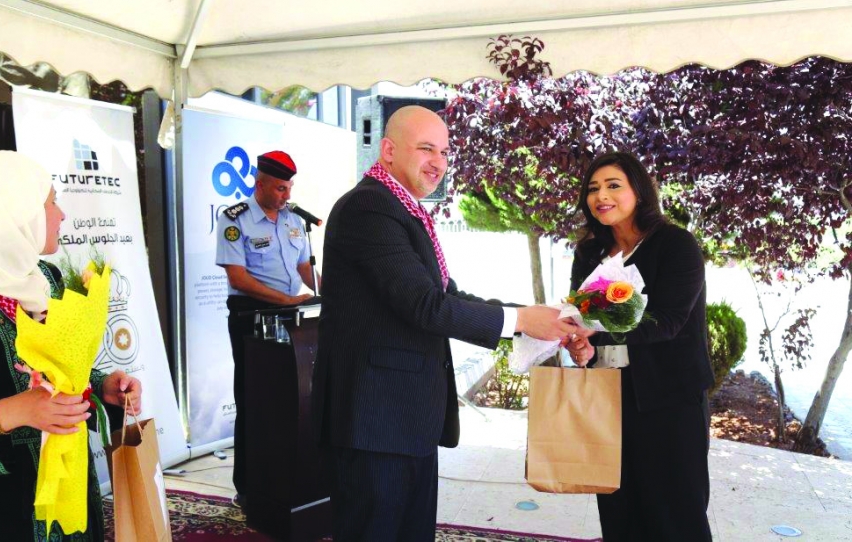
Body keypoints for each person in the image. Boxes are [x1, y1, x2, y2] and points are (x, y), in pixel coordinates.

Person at [312, 105, 577, 541]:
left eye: (445, 152)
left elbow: (447, 295)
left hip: (406, 417)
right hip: (374, 421)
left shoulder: (404, 208)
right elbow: (425, 305)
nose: (438, 162)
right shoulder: (368, 207)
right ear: (388, 150)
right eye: (426, 149)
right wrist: (520, 319)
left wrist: (533, 320)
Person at [0, 150, 142, 541]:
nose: (61, 215)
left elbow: (60, 368)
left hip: (70, 489)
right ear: (15, 212)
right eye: (51, 202)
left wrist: (101, 385)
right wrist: (10, 412)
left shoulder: (48, 280)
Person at [565, 151, 714, 541]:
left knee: (676, 517)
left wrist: (595, 326)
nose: (601, 196)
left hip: (670, 400)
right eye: (593, 188)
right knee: (619, 511)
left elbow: (668, 321)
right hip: (608, 396)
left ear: (639, 192)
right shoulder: (589, 252)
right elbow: (581, 317)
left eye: (613, 185)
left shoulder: (676, 244)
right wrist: (581, 346)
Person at [214, 150, 319, 510]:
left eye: (289, 188)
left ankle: (287, 479)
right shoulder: (234, 219)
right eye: (279, 188)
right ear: (259, 184)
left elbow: (304, 268)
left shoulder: (293, 220)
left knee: (290, 400)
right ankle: (248, 486)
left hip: (292, 318)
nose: (286, 195)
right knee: (253, 401)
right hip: (252, 317)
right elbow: (237, 277)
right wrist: (285, 301)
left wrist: (331, 293)